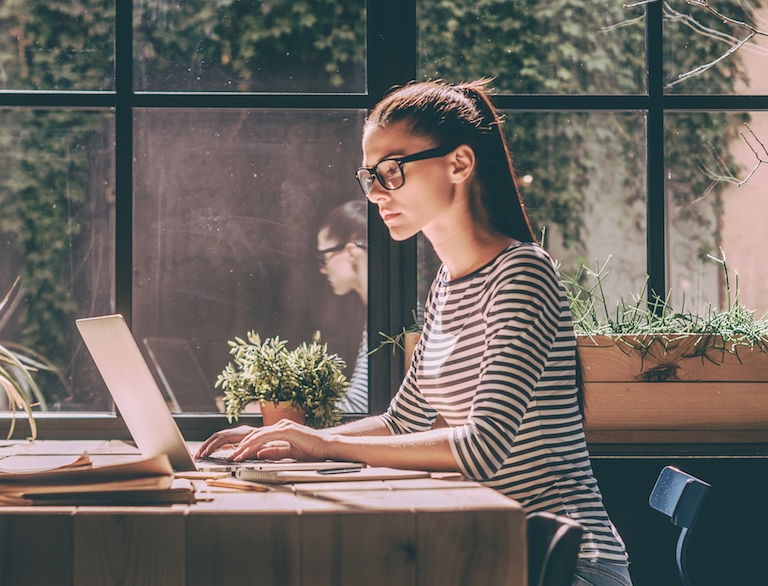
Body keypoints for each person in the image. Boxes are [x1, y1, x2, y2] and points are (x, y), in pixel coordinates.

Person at [197, 79, 632, 585]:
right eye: (370, 176)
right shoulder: (448, 283)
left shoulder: (523, 273)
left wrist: (322, 445)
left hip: (563, 565)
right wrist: (291, 440)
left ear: (460, 164)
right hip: (488, 552)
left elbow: (480, 448)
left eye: (392, 170)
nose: (377, 192)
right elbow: (405, 421)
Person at [316, 200, 370, 413]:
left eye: (324, 257)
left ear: (350, 253)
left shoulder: (387, 319)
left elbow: (359, 409)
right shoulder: (379, 314)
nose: (323, 269)